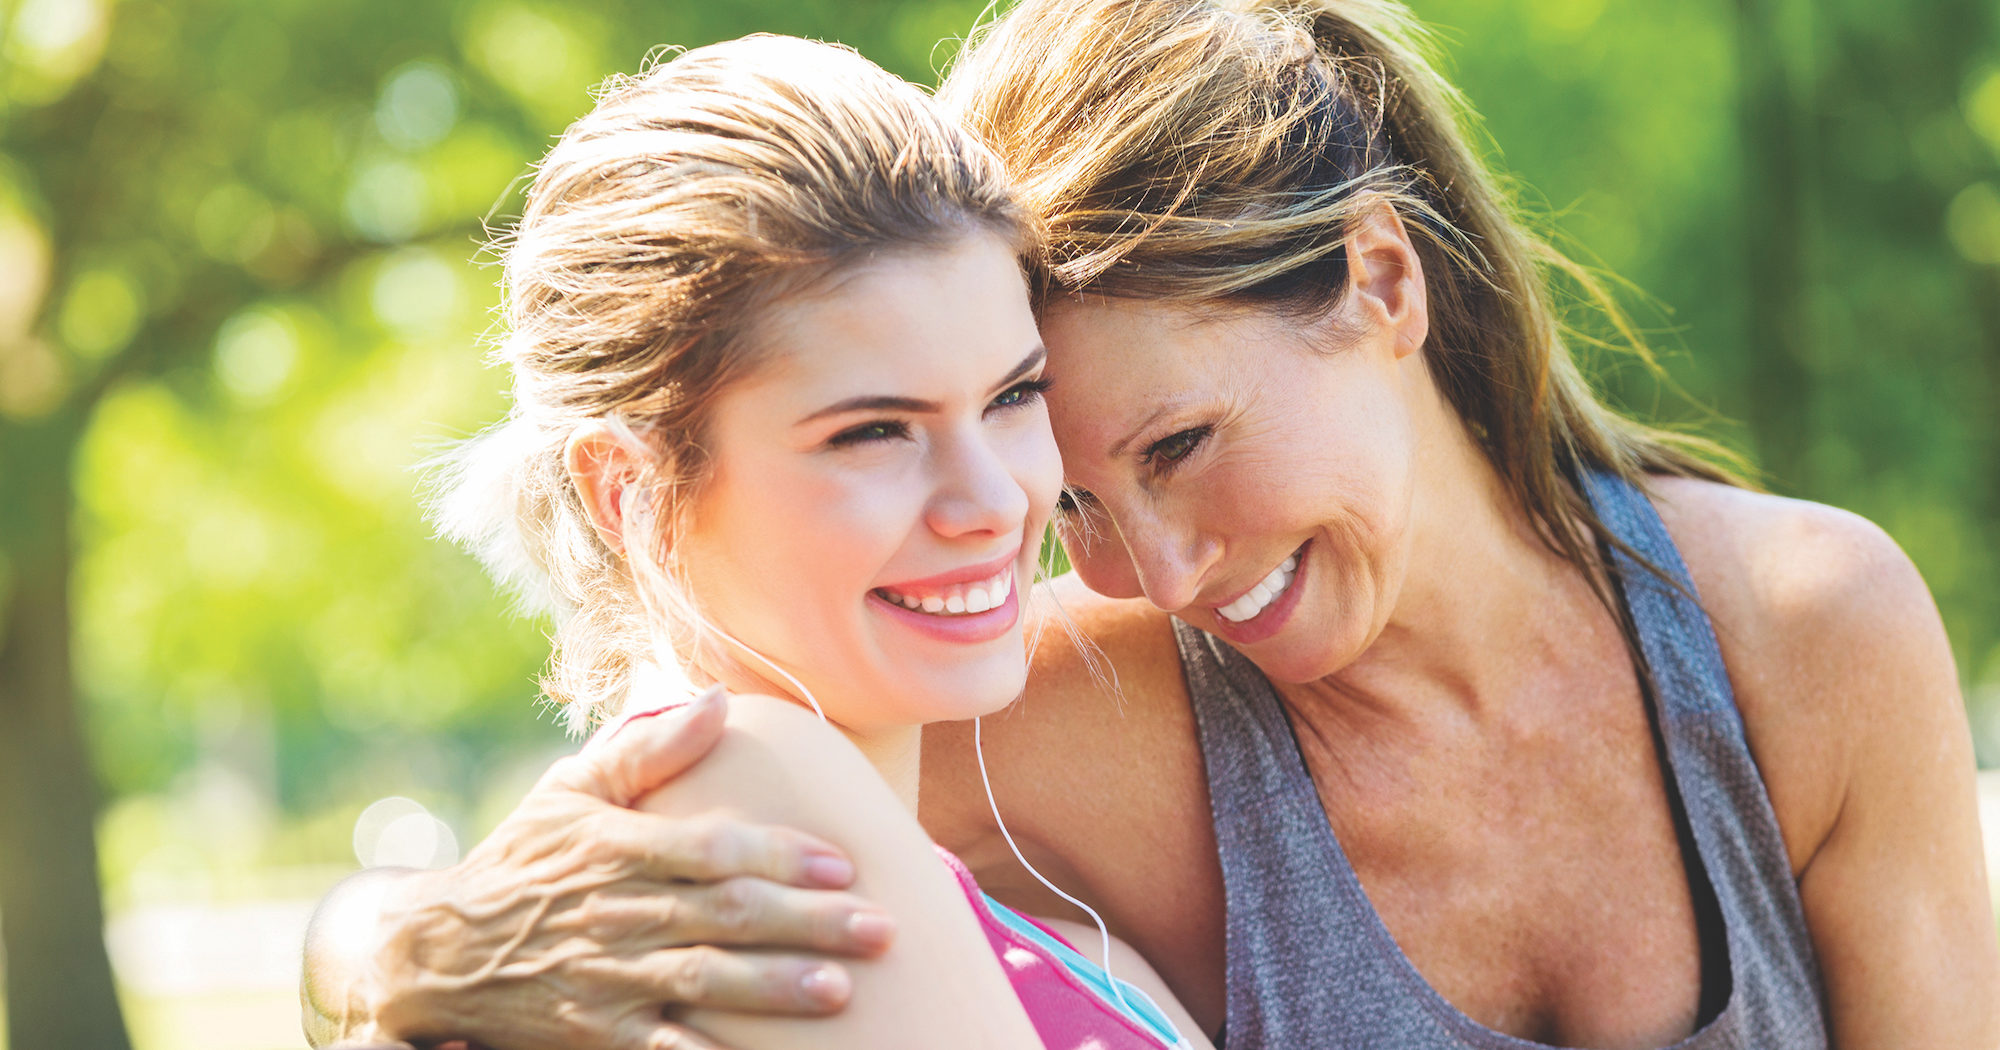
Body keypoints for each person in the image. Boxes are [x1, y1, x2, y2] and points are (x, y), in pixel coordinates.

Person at [311, 0, 2000, 1047]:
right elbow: (584, 885)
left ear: (1385, 283)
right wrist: (380, 944)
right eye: (1090, 490)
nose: (1154, 572)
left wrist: (386, 952)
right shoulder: (1041, 704)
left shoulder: (1795, 631)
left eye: (1180, 442)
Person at [300, 33, 1208, 1050]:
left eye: (1012, 395)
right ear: (627, 490)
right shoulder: (742, 799)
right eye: (873, 431)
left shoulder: (1047, 938)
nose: (992, 501)